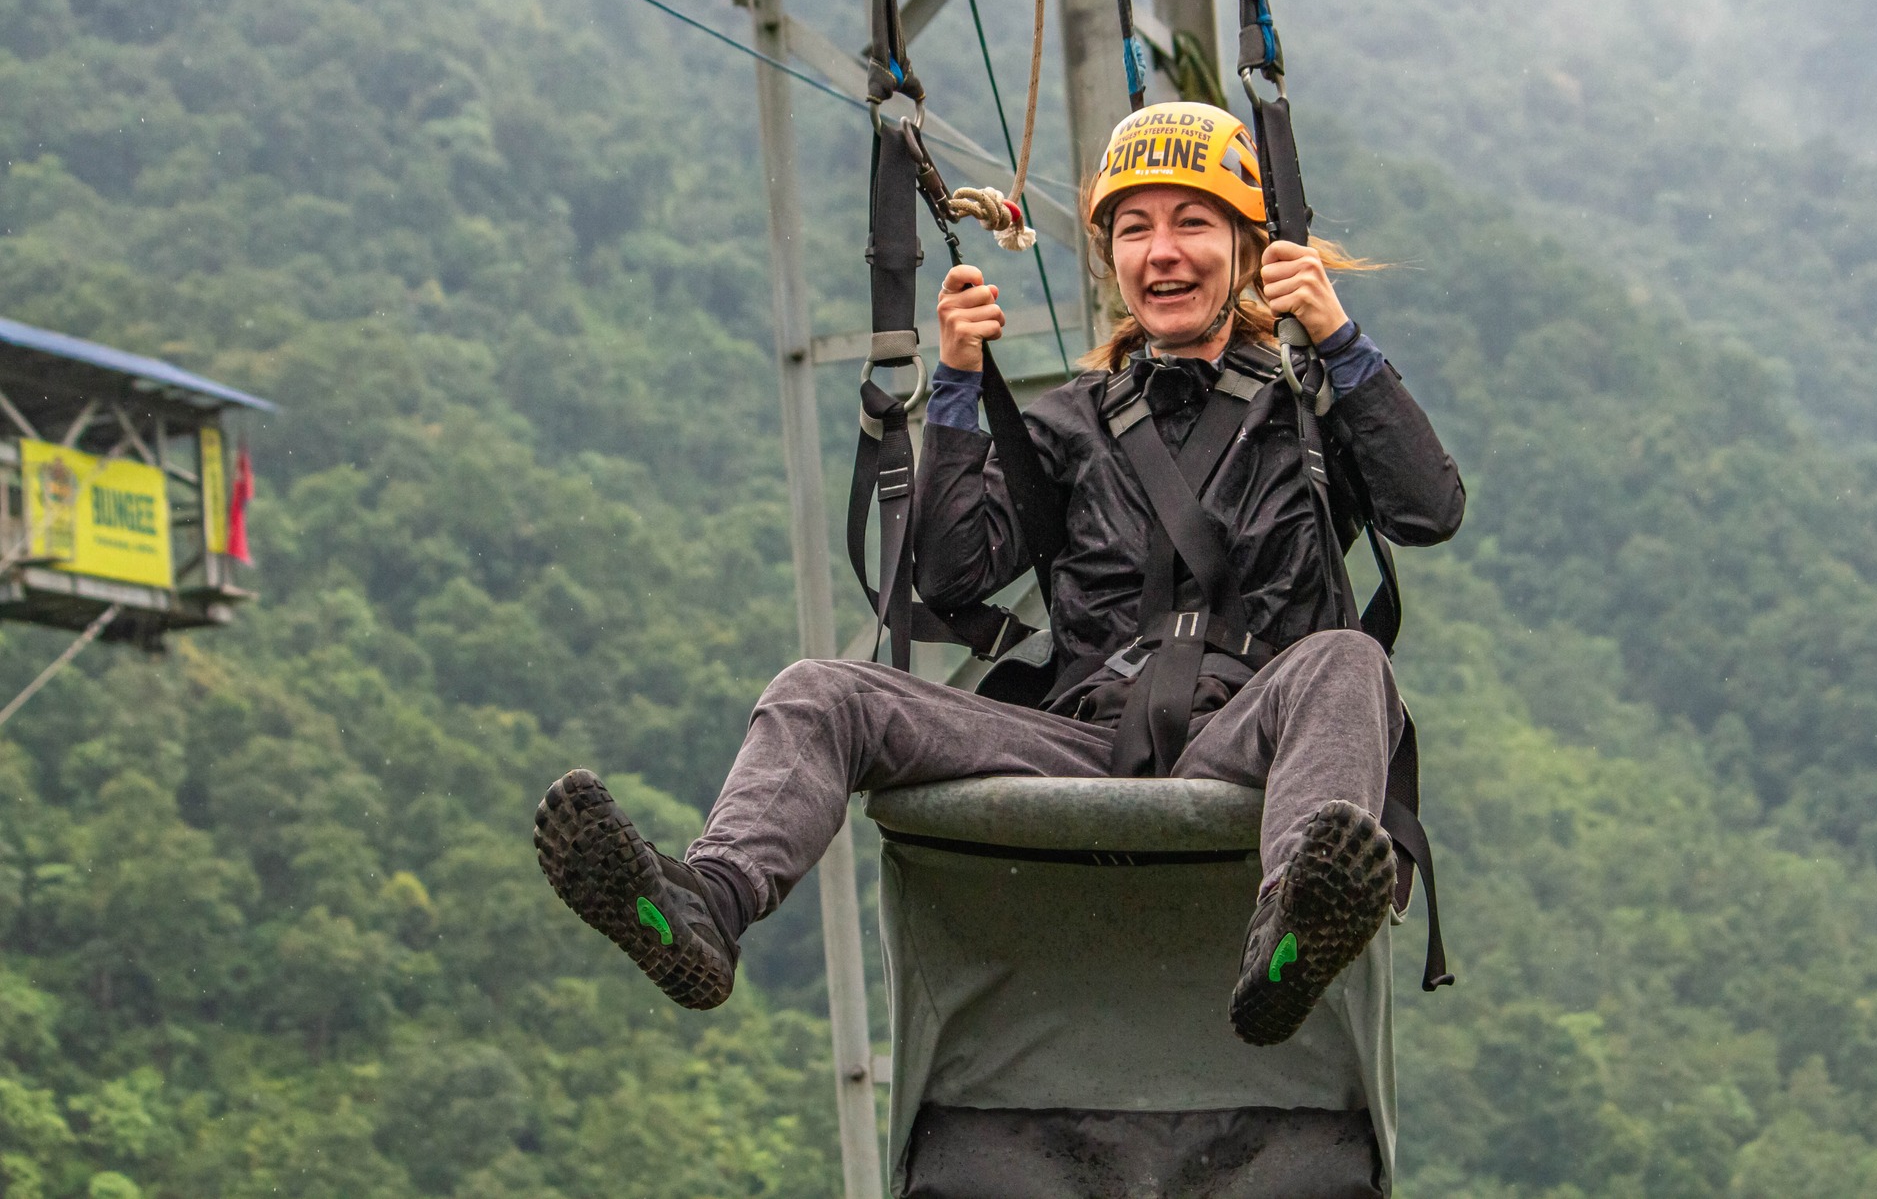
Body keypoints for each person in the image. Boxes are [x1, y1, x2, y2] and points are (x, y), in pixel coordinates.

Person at [535, 102, 1464, 1047]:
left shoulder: (1310, 404)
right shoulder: (1075, 422)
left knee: (1348, 661)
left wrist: (1340, 341)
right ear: (1112, 259)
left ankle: (1291, 925)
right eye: (1136, 230)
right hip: (1086, 740)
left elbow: (1428, 510)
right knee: (820, 691)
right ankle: (709, 904)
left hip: (1254, 736)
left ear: (1246, 246)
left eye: (1193, 224)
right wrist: (956, 383)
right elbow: (949, 575)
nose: (1164, 254)